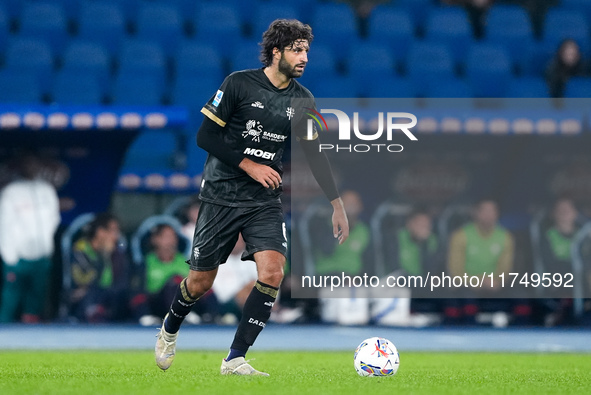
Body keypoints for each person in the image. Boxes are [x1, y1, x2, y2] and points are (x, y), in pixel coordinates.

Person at [155, 19, 349, 376]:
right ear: (276, 52)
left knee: (273, 272)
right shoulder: (238, 84)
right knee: (200, 283)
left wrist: (336, 204)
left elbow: (316, 153)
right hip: (220, 195)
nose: (304, 57)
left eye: (307, 50)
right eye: (297, 49)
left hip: (263, 200)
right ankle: (169, 326)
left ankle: (235, 358)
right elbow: (205, 137)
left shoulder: (304, 99)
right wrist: (250, 164)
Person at [445, 199, 530, 325]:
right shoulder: (461, 236)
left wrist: (497, 281)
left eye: (492, 211)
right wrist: (477, 281)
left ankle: (518, 336)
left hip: (495, 284)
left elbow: (505, 268)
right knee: (466, 297)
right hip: (467, 285)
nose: (488, 215)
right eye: (484, 211)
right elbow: (455, 270)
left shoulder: (505, 236)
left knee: (521, 296)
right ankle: (469, 334)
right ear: (475, 213)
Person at [0, 154, 60, 323]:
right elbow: (4, 224)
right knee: (10, 297)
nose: (31, 168)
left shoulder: (46, 190)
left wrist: (47, 248)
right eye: (27, 164)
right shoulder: (11, 192)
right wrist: (9, 255)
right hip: (16, 257)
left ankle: (32, 339)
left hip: (42, 255)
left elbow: (53, 220)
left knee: (36, 300)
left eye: (35, 164)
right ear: (20, 167)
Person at [132, 224, 207, 326]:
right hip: (156, 303)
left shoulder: (186, 262)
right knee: (174, 282)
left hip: (187, 303)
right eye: (166, 237)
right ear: (155, 240)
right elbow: (138, 290)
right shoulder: (146, 263)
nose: (171, 241)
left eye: (173, 237)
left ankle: (210, 316)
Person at [70, 213, 129, 323]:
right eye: (113, 231)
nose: (116, 236)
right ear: (100, 232)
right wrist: (103, 257)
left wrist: (110, 256)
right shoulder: (81, 251)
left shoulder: (116, 253)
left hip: (109, 298)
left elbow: (122, 282)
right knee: (90, 293)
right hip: (85, 300)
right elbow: (82, 282)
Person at [315, 190, 369, 276]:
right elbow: (327, 250)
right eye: (347, 204)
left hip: (354, 279)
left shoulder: (363, 230)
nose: (351, 208)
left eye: (354, 204)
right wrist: (341, 224)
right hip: (327, 278)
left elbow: (368, 259)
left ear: (360, 207)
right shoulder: (327, 226)